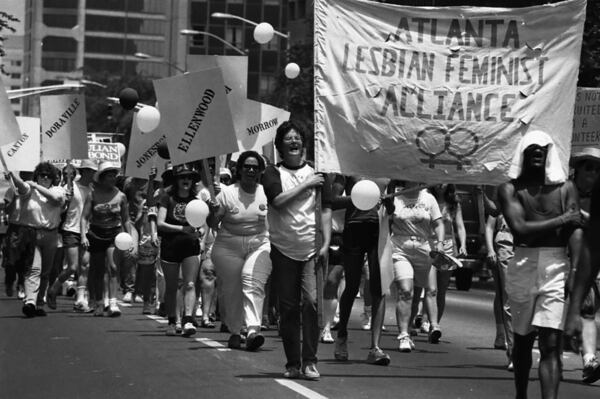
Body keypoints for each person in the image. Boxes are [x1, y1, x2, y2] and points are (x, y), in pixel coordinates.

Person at [498, 130, 583, 399]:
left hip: (556, 264)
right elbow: (521, 229)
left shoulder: (566, 188)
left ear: (549, 154)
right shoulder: (509, 189)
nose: (537, 151)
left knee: (551, 343)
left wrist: (577, 270)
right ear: (522, 154)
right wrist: (562, 220)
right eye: (531, 147)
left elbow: (576, 229)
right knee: (523, 341)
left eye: (542, 148)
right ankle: (520, 394)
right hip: (523, 262)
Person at [262, 121, 332, 380]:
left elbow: (326, 209)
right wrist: (306, 185)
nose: (294, 142)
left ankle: (310, 361)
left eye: (298, 138)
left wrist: (325, 244)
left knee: (311, 304)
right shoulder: (272, 173)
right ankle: (293, 362)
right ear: (280, 145)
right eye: (288, 139)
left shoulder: (318, 173)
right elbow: (278, 202)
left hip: (311, 250)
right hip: (282, 250)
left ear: (303, 143)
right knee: (289, 308)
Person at [209, 151, 271, 350]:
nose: (251, 170)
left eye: (255, 167)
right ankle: (236, 331)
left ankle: (253, 330)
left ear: (260, 171)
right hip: (228, 246)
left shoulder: (266, 192)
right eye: (247, 166)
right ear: (239, 170)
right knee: (232, 289)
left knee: (251, 280)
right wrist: (212, 210)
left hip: (260, 244)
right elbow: (212, 223)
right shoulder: (227, 193)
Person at [333, 175, 391, 366]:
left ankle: (375, 348)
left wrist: (389, 204)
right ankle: (341, 336)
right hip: (353, 230)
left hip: (378, 230)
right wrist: (356, 198)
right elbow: (332, 201)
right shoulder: (349, 165)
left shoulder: (386, 170)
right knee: (351, 285)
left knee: (379, 287)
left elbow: (391, 209)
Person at [383, 180, 444, 352]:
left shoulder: (428, 198)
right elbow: (386, 222)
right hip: (400, 247)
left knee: (423, 291)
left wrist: (439, 242)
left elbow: (438, 223)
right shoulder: (395, 198)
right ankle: (403, 335)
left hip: (423, 248)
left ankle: (419, 326)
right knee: (405, 290)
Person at [8, 163, 66, 317]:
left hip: (51, 234)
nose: (45, 178)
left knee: (46, 272)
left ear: (53, 178)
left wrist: (36, 185)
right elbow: (21, 187)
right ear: (37, 176)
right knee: (34, 269)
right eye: (42, 175)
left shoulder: (58, 190)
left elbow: (55, 199)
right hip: (32, 232)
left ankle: (40, 303)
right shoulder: (29, 189)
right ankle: (30, 302)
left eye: (48, 175)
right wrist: (13, 174)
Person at [81, 161, 134, 317]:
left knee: (112, 267)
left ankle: (112, 302)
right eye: (109, 176)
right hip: (96, 233)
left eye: (114, 176)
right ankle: (98, 302)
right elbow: (84, 218)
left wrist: (129, 237)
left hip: (114, 234)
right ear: (102, 178)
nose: (112, 179)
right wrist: (83, 235)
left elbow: (125, 219)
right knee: (97, 270)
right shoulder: (93, 195)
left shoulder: (121, 196)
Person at [157, 164, 204, 336]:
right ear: (176, 180)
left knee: (190, 283)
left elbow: (201, 225)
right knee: (172, 286)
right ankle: (172, 320)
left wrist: (201, 231)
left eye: (189, 178)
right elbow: (160, 224)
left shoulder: (197, 201)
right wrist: (182, 229)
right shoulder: (166, 198)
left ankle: (188, 320)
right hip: (170, 246)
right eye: (182, 177)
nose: (186, 180)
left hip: (190, 246)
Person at [413, 184, 467, 330]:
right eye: (437, 181)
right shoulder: (426, 199)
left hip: (447, 248)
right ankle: (420, 318)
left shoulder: (453, 204)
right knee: (429, 287)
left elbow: (460, 226)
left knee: (441, 289)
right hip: (429, 245)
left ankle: (432, 323)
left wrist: (463, 244)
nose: (440, 184)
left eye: (443, 181)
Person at [47, 160, 97, 312]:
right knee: (72, 267)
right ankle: (54, 289)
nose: (93, 173)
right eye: (91, 171)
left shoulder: (93, 189)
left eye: (95, 171)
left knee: (85, 266)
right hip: (71, 229)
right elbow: (59, 206)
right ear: (85, 171)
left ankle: (80, 299)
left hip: (88, 231)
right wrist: (65, 200)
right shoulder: (70, 187)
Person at [568, 147, 600, 384]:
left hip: (590, 258)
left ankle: (590, 359)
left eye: (598, 169)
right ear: (578, 169)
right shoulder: (564, 191)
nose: (594, 172)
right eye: (589, 166)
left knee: (587, 309)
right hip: (560, 258)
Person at [484, 197, 515, 371]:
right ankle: (513, 351)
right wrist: (490, 249)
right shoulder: (506, 190)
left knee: (531, 298)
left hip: (532, 241)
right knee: (508, 298)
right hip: (507, 239)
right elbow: (492, 215)